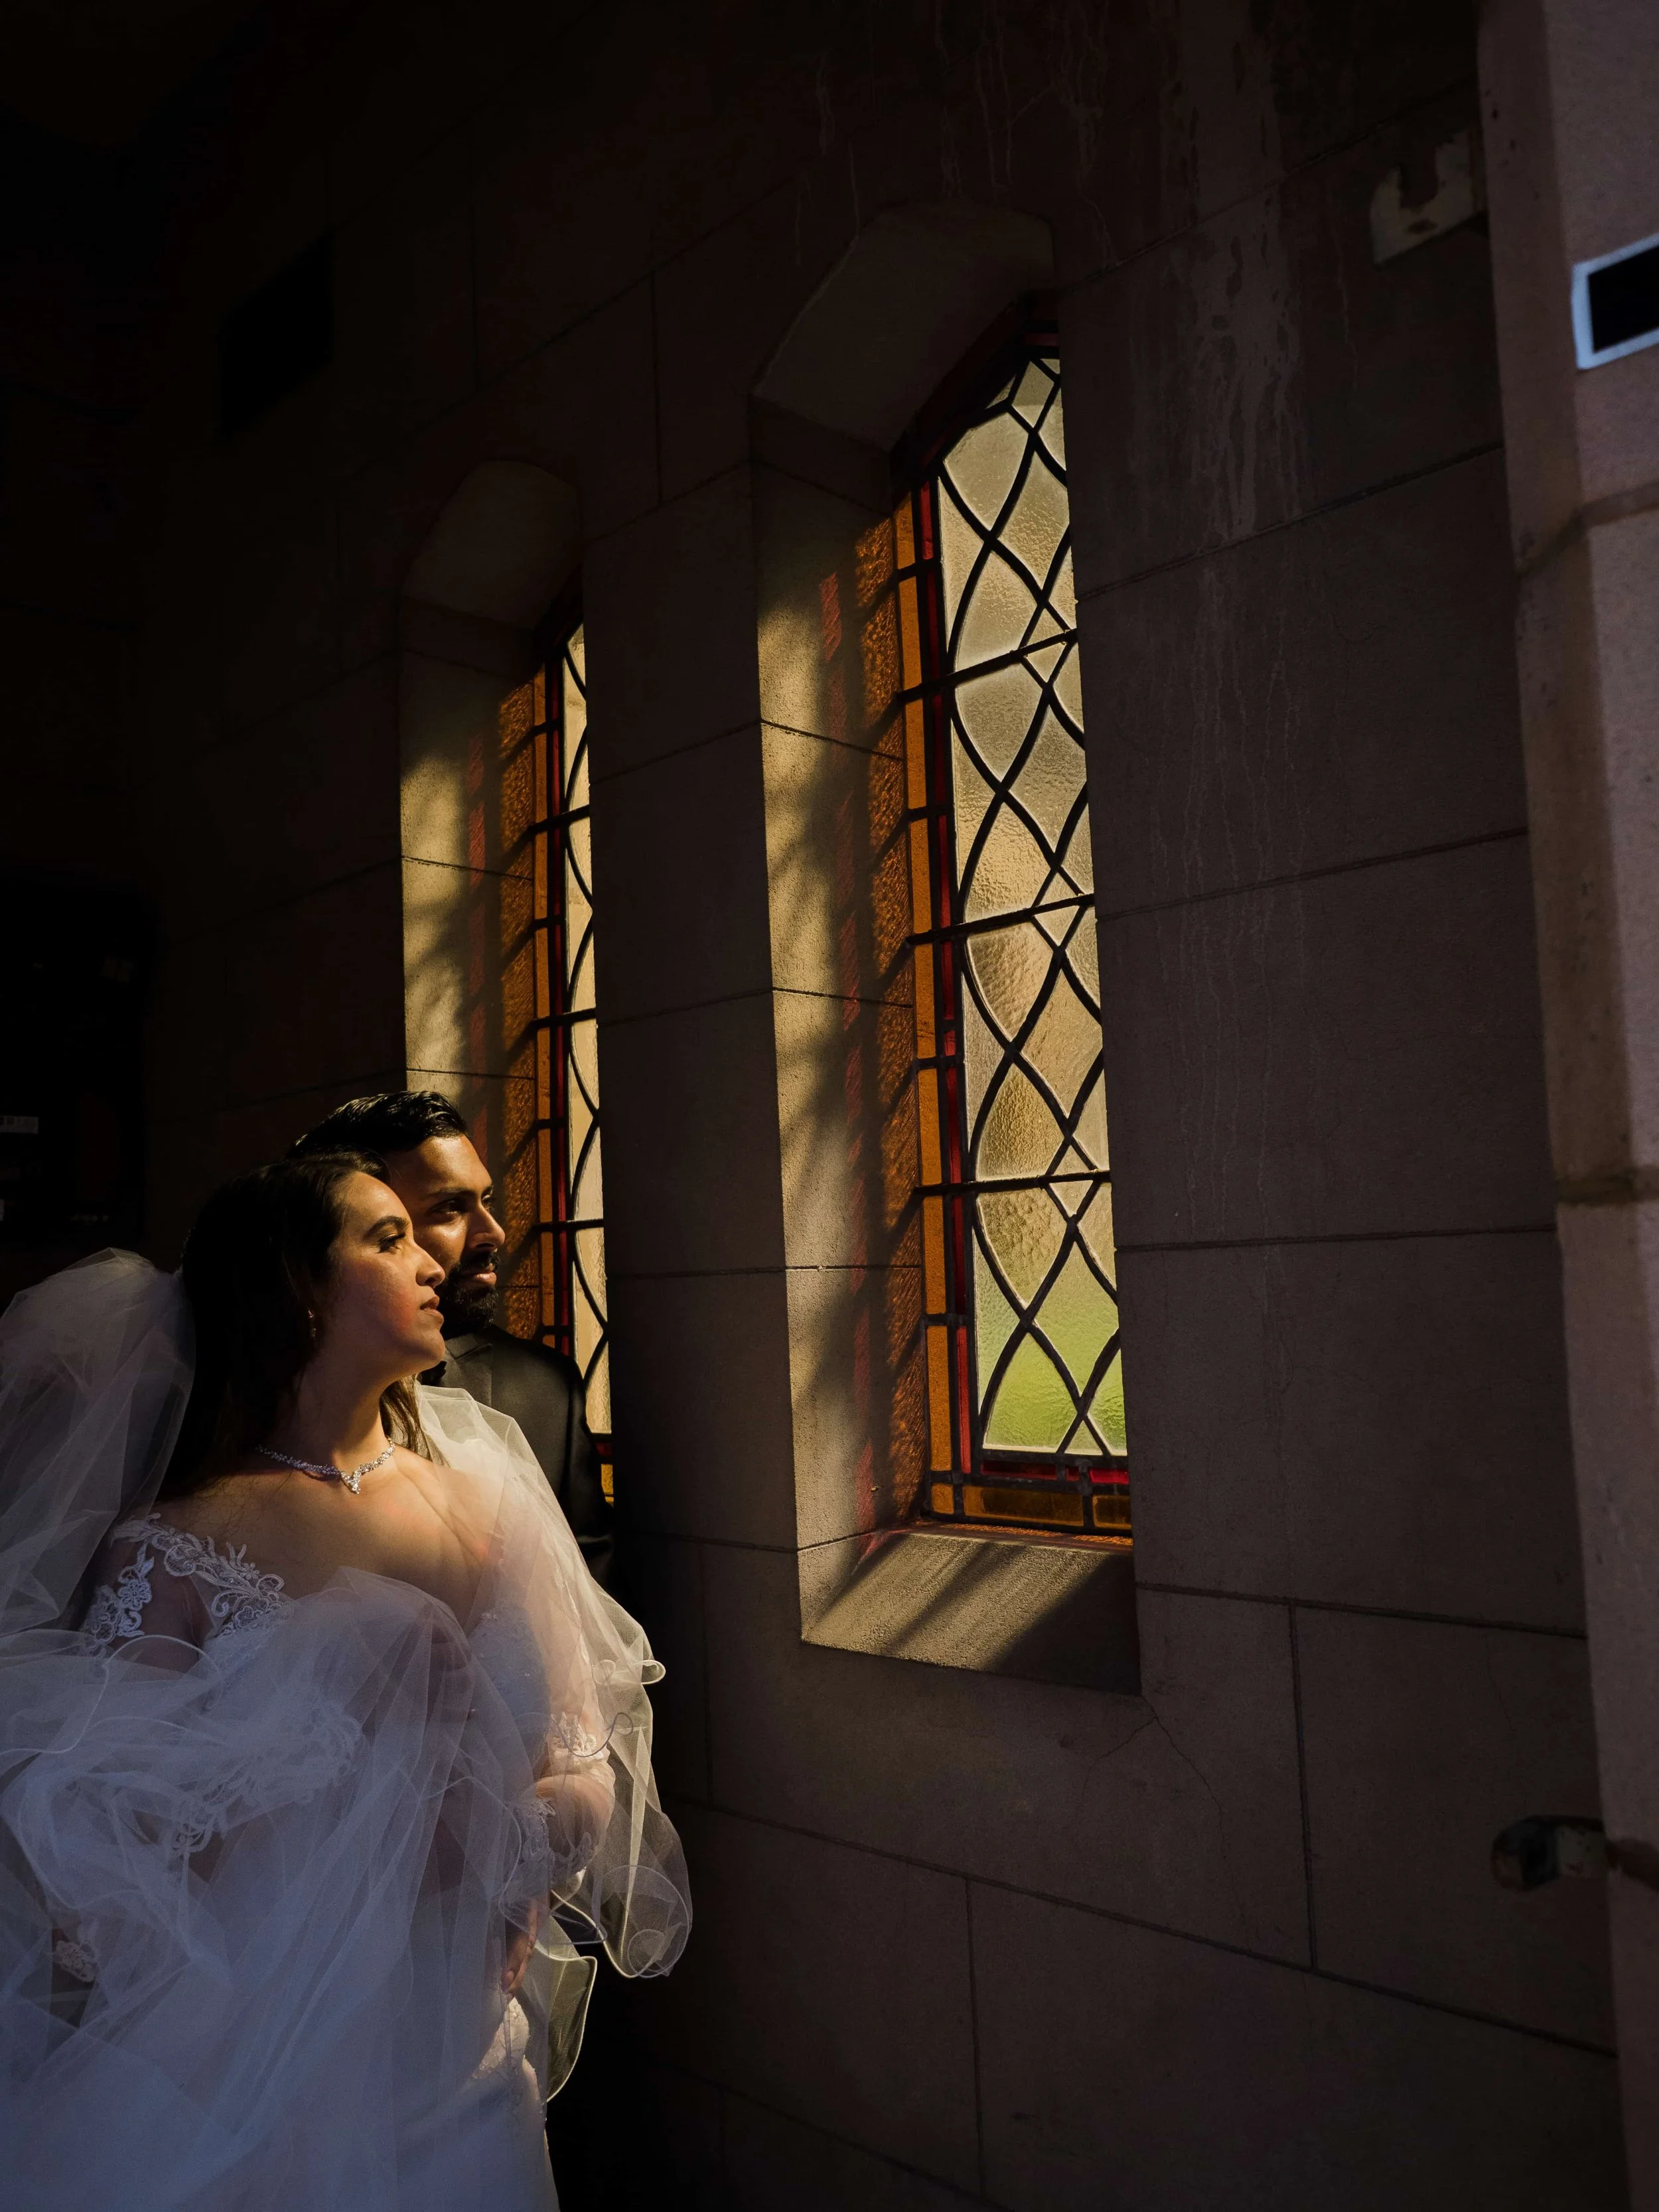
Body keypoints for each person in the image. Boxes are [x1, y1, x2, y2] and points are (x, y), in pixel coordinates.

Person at [0, 1154, 688, 2211]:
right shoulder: (176, 1553)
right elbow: (101, 1869)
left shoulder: (491, 1503)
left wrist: (513, 1859)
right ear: (298, 1291)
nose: (431, 1262)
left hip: (463, 2058)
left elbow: (583, 1756)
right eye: (387, 1238)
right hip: (262, 2077)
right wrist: (332, 1724)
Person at [290, 1094, 613, 1589]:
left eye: (487, 1201)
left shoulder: (542, 1391)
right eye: (449, 1208)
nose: (495, 1233)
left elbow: (599, 1614)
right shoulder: (234, 1412)